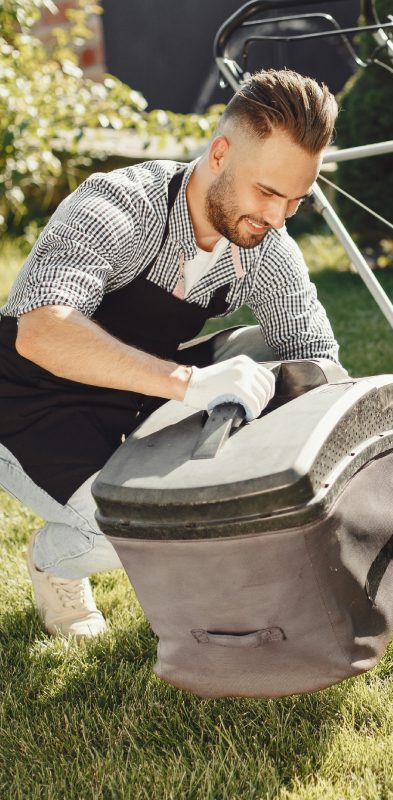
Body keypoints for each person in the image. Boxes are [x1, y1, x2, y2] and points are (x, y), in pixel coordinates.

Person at [0, 68, 340, 640]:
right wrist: (189, 382)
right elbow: (42, 332)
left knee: (294, 370)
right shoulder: (117, 205)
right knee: (135, 534)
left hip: (134, 393)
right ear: (219, 153)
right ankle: (54, 559)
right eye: (267, 192)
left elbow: (318, 359)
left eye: (296, 200)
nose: (279, 218)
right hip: (29, 406)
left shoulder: (265, 244)